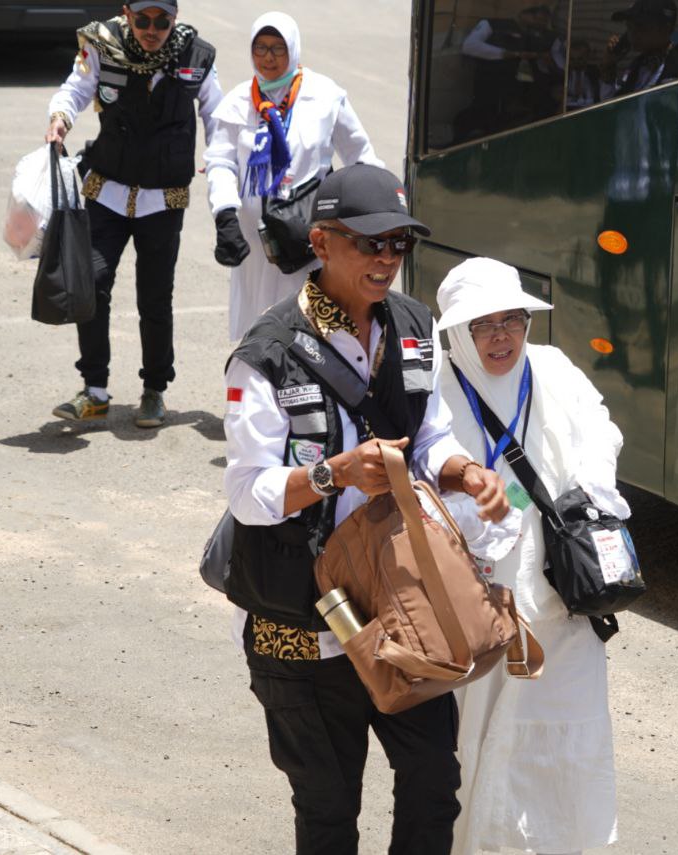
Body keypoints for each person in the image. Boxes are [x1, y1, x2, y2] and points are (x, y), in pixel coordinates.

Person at [221, 163, 511, 855]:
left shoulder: (414, 327)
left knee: (434, 781)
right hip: (307, 617)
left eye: (397, 244)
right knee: (327, 811)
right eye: (368, 243)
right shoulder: (266, 354)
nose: (386, 259)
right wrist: (332, 473)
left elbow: (430, 433)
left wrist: (465, 471)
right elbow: (247, 493)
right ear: (321, 244)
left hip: (403, 604)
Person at [434, 257, 631, 855]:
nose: (502, 337)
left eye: (513, 320)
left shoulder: (551, 367)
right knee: (479, 737)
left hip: (559, 595)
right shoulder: (438, 388)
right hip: (477, 605)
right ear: (457, 335)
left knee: (564, 736)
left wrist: (591, 488)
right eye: (483, 325)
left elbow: (601, 425)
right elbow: (423, 477)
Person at [44, 1, 223, 428]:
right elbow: (76, 87)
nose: (152, 29)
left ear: (173, 19)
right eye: (142, 19)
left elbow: (218, 114)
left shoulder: (196, 56)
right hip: (107, 190)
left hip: (163, 199)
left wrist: (219, 159)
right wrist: (61, 119)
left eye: (162, 20)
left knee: (155, 299)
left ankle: (154, 390)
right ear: (127, 14)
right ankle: (95, 389)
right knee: (92, 283)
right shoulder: (103, 45)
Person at [204, 12, 382, 346]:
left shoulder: (325, 97)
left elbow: (361, 156)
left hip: (306, 236)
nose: (268, 58)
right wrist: (225, 213)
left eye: (278, 48)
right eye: (260, 48)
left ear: (294, 50)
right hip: (253, 242)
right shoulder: (238, 102)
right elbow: (220, 163)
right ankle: (258, 387)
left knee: (306, 320)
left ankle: (305, 391)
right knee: (257, 321)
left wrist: (380, 209)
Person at [453, 5, 559, 142]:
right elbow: (469, 46)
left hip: (517, 101)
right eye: (538, 20)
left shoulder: (536, 36)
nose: (541, 25)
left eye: (544, 22)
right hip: (490, 89)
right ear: (525, 14)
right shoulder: (492, 24)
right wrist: (508, 54)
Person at [600, 0, 678, 101]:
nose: (632, 34)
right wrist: (608, 66)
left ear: (665, 29)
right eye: (629, 27)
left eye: (640, 26)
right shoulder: (636, 68)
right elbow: (611, 108)